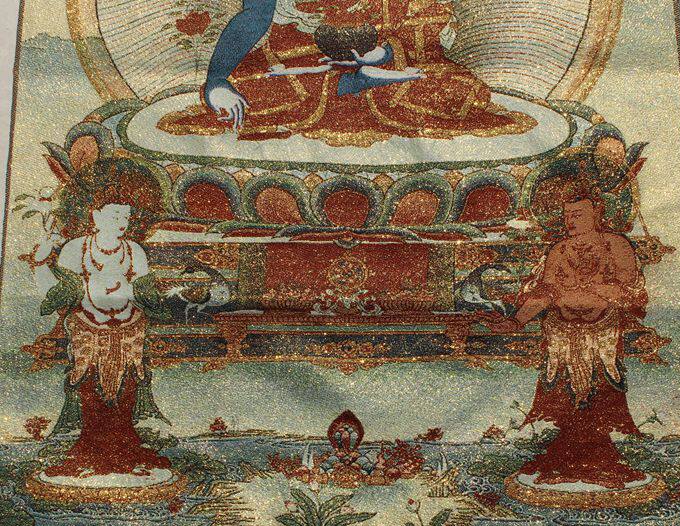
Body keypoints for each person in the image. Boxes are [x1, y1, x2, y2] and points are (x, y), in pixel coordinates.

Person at [159, 0, 535, 145]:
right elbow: (253, 19)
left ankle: (358, 80)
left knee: (459, 90)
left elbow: (423, 27)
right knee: (250, 90)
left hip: (383, 61)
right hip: (302, 66)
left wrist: (385, 52)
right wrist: (217, 81)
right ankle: (352, 84)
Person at [509, 181, 649, 489]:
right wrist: (516, 321)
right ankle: (564, 459)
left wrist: (594, 289)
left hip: (602, 331)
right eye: (566, 215)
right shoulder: (558, 250)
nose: (570, 221)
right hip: (561, 333)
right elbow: (544, 293)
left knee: (600, 393)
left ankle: (601, 460)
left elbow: (630, 291)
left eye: (578, 214)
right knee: (563, 394)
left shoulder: (615, 245)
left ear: (597, 212)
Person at [40, 194, 172, 478]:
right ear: (96, 216)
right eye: (114, 216)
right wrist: (41, 261)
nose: (121, 222)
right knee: (89, 383)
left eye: (125, 217)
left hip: (129, 326)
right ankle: (90, 449)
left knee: (128, 384)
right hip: (87, 325)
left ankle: (125, 448)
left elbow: (143, 291)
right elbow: (58, 289)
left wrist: (144, 297)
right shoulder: (76, 248)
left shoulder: (134, 250)